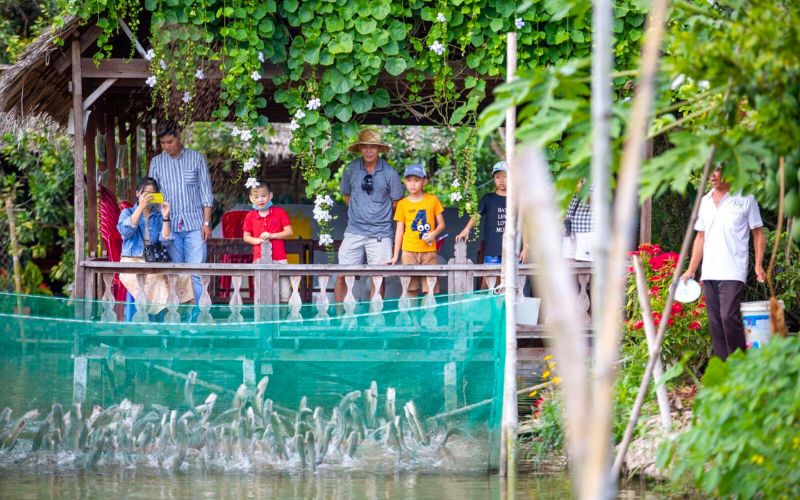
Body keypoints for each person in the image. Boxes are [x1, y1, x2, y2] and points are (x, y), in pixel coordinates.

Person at [681, 166, 766, 360]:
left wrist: (758, 264)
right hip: (710, 271)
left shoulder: (745, 198)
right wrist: (691, 270)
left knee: (728, 316)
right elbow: (700, 237)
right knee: (715, 322)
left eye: (717, 170)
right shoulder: (704, 201)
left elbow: (758, 233)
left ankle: (739, 366)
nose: (711, 174)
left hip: (733, 270)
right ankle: (724, 371)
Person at [148, 120, 214, 304]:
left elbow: (206, 193)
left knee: (197, 272)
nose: (166, 146)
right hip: (169, 228)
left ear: (179, 137)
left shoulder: (197, 158)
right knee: (174, 272)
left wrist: (206, 223)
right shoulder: (157, 162)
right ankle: (176, 314)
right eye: (163, 143)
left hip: (195, 225)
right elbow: (152, 195)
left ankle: (201, 314)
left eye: (170, 142)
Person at [335, 128, 405, 302]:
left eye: (373, 146)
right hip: (354, 230)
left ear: (379, 149)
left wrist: (377, 214)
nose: (368, 150)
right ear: (359, 148)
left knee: (378, 277)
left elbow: (397, 202)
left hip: (381, 233)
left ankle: (376, 321)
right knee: (342, 274)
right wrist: (362, 211)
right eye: (365, 146)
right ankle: (338, 318)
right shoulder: (350, 169)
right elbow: (346, 197)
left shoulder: (390, 173)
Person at [117, 177, 193, 316]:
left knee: (184, 277)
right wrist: (140, 207)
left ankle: (175, 318)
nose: (149, 198)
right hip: (132, 261)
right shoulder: (127, 213)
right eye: (146, 194)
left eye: (153, 194)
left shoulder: (158, 216)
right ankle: (155, 318)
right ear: (137, 194)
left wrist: (166, 217)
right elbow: (126, 232)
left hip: (153, 261)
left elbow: (165, 241)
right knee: (156, 279)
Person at [387, 164, 445, 297]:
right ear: (405, 182)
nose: (412, 184)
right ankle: (413, 318)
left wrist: (433, 234)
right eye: (409, 180)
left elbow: (441, 224)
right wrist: (395, 255)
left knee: (430, 289)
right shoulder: (402, 204)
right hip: (408, 251)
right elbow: (399, 231)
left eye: (417, 180)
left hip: (429, 251)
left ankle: (427, 318)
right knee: (410, 288)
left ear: (424, 181)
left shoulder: (433, 200)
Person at [242, 180, 293, 301]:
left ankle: (284, 319)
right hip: (259, 260)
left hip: (280, 259)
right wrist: (258, 240)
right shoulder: (250, 216)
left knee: (285, 294)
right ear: (251, 198)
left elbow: (289, 232)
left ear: (270, 196)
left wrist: (272, 235)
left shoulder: (279, 213)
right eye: (256, 197)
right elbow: (246, 237)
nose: (260, 200)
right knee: (262, 294)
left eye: (263, 196)